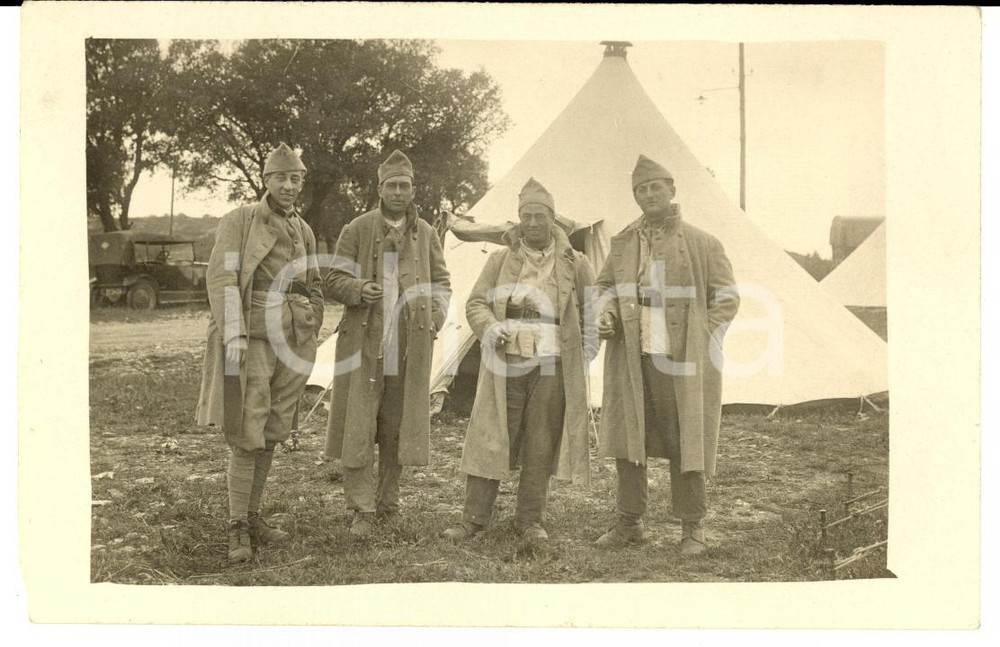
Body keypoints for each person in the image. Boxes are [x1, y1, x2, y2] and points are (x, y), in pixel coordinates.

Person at [594, 155, 740, 556]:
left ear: (672, 189)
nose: (648, 195)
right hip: (632, 352)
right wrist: (606, 312)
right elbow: (603, 285)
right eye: (641, 190)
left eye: (656, 187)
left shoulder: (703, 242)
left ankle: (692, 527)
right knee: (629, 438)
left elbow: (726, 299)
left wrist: (701, 334)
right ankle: (629, 522)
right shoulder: (624, 241)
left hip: (682, 358)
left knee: (684, 439)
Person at [443, 178, 596, 544]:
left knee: (541, 441)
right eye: (525, 216)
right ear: (518, 219)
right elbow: (476, 303)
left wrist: (584, 355)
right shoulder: (499, 260)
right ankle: (474, 519)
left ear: (553, 219)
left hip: (552, 363)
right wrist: (489, 328)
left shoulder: (577, 264)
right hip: (506, 361)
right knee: (490, 435)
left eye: (539, 216)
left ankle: (530, 521)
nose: (532, 224)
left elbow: (593, 314)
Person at [196, 143, 325, 564]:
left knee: (271, 432)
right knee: (245, 434)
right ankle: (237, 527)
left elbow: (313, 282)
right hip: (251, 337)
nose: (289, 186)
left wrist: (312, 322)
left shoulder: (303, 229)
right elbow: (223, 275)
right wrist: (233, 332)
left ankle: (254, 517)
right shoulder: (239, 221)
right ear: (265, 180)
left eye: (295, 179)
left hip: (293, 340)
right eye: (281, 178)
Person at [323, 149, 451, 538]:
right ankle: (361, 509)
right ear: (379, 189)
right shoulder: (357, 229)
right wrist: (360, 288)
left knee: (396, 427)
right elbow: (331, 281)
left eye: (405, 186)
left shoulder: (426, 233)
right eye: (391, 185)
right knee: (358, 426)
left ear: (413, 190)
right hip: (363, 345)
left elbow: (443, 284)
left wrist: (433, 318)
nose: (398, 192)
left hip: (408, 347)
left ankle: (388, 502)